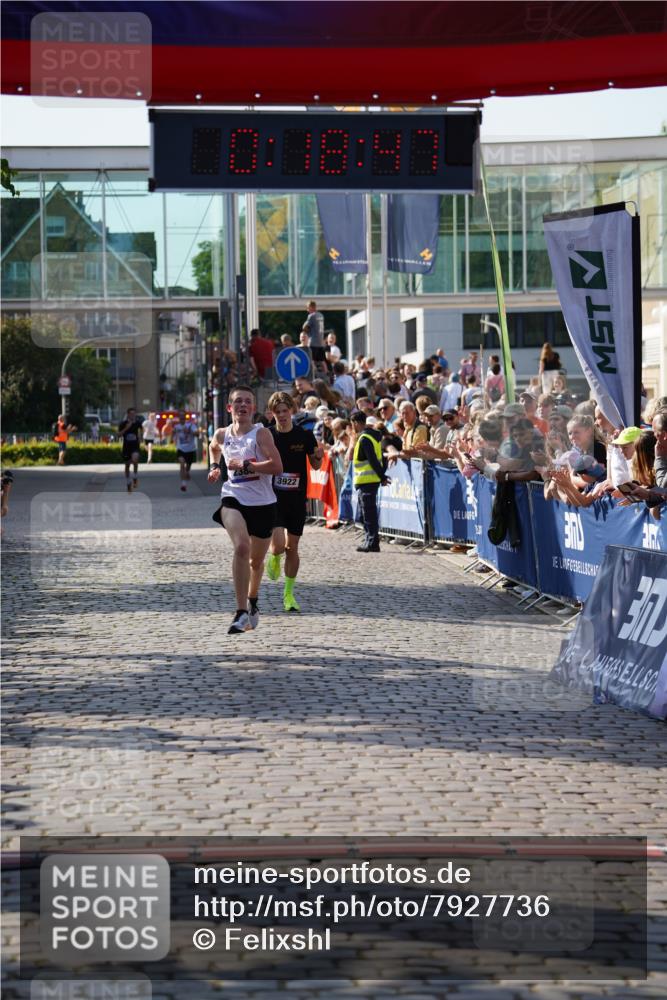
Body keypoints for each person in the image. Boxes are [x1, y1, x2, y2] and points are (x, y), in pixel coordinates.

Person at [208, 386, 283, 634]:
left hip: (263, 503)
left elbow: (277, 466)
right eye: (237, 401)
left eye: (247, 402)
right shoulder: (222, 433)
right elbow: (213, 446)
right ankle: (240, 612)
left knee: (256, 561)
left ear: (253, 408)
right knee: (241, 547)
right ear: (229, 408)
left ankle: (252, 600)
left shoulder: (261, 435)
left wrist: (248, 465)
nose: (242, 405)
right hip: (233, 497)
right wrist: (214, 467)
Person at [264, 391, 324, 612]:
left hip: (297, 498)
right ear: (272, 414)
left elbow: (316, 466)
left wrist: (319, 455)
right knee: (279, 544)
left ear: (292, 411)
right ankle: (273, 557)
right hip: (274, 497)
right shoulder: (267, 435)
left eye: (285, 411)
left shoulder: (305, 436)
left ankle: (288, 594)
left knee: (293, 546)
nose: (281, 415)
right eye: (277, 412)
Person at [351, 410, 390, 553]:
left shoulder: (364, 438)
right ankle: (369, 539)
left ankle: (372, 542)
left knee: (368, 514)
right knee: (365, 514)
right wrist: (382, 476)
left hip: (367, 481)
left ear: (356, 423)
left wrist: (382, 477)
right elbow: (380, 458)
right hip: (369, 481)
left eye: (353, 424)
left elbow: (373, 460)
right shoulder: (372, 437)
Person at [172, 409, 198, 491]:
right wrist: (174, 439)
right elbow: (173, 435)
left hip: (190, 449)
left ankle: (187, 472)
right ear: (179, 417)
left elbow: (197, 434)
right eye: (180, 416)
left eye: (183, 416)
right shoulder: (176, 427)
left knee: (187, 468)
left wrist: (190, 431)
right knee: (182, 464)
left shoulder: (191, 425)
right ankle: (183, 484)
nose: (182, 417)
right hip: (181, 449)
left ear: (185, 416)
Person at [118, 407, 143, 492]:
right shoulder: (123, 423)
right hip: (126, 447)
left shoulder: (138, 423)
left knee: (135, 459)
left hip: (135, 446)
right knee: (127, 465)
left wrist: (140, 436)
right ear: (128, 414)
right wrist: (126, 428)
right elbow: (118, 435)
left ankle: (135, 477)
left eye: (134, 414)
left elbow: (142, 431)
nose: (133, 415)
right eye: (131, 414)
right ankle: (128, 482)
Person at [302, 300, 326, 374]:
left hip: (313, 342)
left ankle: (314, 374)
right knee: (322, 360)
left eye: (307, 308)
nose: (307, 310)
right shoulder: (321, 315)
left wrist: (307, 331)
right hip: (320, 342)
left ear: (311, 307)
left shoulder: (311, 316)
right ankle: (326, 374)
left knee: (311, 360)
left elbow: (304, 327)